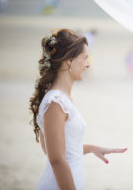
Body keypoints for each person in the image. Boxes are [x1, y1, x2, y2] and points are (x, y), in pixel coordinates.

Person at [29, 29, 127, 190]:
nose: (88, 64)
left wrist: (92, 148)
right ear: (69, 61)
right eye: (85, 58)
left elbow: (61, 150)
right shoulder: (55, 102)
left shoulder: (61, 99)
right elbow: (56, 159)